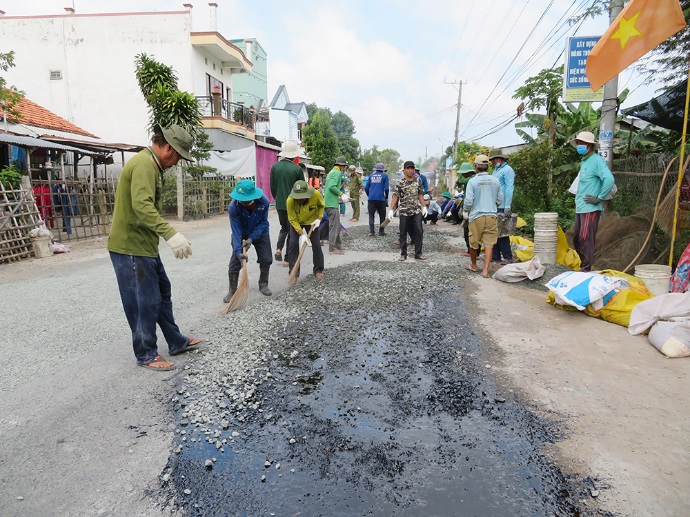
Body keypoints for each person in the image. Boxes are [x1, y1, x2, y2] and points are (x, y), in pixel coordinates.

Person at [107, 124, 202, 371]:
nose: (177, 162)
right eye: (178, 156)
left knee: (162, 292)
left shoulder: (153, 165)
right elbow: (142, 206)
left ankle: (175, 340)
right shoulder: (144, 164)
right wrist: (171, 234)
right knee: (142, 301)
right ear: (168, 147)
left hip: (144, 246)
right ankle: (146, 353)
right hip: (130, 247)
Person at [571, 131, 615, 272]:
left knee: (585, 239)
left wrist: (600, 197)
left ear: (589, 145)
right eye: (578, 143)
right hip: (581, 207)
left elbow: (609, 179)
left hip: (590, 208)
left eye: (581, 143)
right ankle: (583, 265)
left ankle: (586, 269)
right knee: (577, 239)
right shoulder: (585, 162)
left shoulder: (596, 161)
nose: (579, 146)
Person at [224, 179, 273, 303]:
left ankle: (263, 284)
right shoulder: (233, 207)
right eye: (241, 200)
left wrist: (252, 238)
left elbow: (263, 223)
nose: (243, 203)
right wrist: (238, 251)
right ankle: (232, 290)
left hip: (260, 231)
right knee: (235, 261)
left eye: (246, 201)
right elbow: (236, 231)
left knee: (266, 258)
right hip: (242, 232)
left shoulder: (264, 202)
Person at [463, 154, 503, 278]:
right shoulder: (495, 180)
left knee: (473, 242)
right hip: (491, 215)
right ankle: (485, 271)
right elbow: (500, 199)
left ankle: (474, 265)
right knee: (489, 244)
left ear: (476, 166)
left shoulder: (473, 181)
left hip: (476, 216)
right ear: (487, 166)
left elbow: (469, 200)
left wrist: (466, 210)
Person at [270, 142, 304, 265]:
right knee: (292, 231)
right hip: (293, 204)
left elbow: (272, 187)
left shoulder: (275, 167)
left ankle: (279, 248)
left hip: (279, 204)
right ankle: (287, 258)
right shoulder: (297, 169)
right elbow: (301, 189)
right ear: (295, 156)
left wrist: (278, 198)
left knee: (284, 228)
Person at [388, 160, 427, 261]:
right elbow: (395, 196)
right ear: (404, 170)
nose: (410, 170)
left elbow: (420, 194)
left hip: (416, 211)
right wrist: (391, 209)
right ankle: (403, 254)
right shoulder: (400, 182)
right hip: (404, 211)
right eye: (408, 168)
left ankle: (418, 253)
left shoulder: (418, 181)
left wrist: (424, 206)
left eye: (412, 168)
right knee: (403, 232)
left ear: (414, 170)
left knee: (419, 231)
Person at [286, 180, 326, 280]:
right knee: (293, 244)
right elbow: (292, 219)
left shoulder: (316, 194)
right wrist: (301, 234)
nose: (298, 200)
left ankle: (318, 269)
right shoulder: (290, 200)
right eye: (297, 198)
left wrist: (319, 219)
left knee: (316, 244)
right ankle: (294, 272)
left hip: (312, 222)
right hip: (297, 222)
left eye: (301, 198)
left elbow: (322, 206)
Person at [489, 148, 516, 263]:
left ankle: (507, 256)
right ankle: (495, 256)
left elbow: (509, 188)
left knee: (503, 232)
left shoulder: (508, 170)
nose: (492, 162)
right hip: (495, 204)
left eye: (493, 160)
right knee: (494, 231)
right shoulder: (496, 170)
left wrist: (507, 206)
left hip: (502, 204)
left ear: (498, 158)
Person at [324, 156, 349, 254]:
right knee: (334, 226)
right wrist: (341, 194)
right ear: (342, 165)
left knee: (337, 225)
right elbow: (332, 187)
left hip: (329, 201)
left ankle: (338, 245)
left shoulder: (331, 172)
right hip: (331, 203)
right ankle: (332, 248)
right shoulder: (337, 173)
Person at [365, 162, 389, 236]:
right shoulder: (385, 176)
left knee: (371, 215)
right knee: (382, 215)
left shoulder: (371, 176)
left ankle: (372, 232)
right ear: (383, 170)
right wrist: (386, 197)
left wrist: (369, 195)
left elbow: (366, 188)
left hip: (371, 198)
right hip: (381, 199)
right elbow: (386, 189)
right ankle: (381, 231)